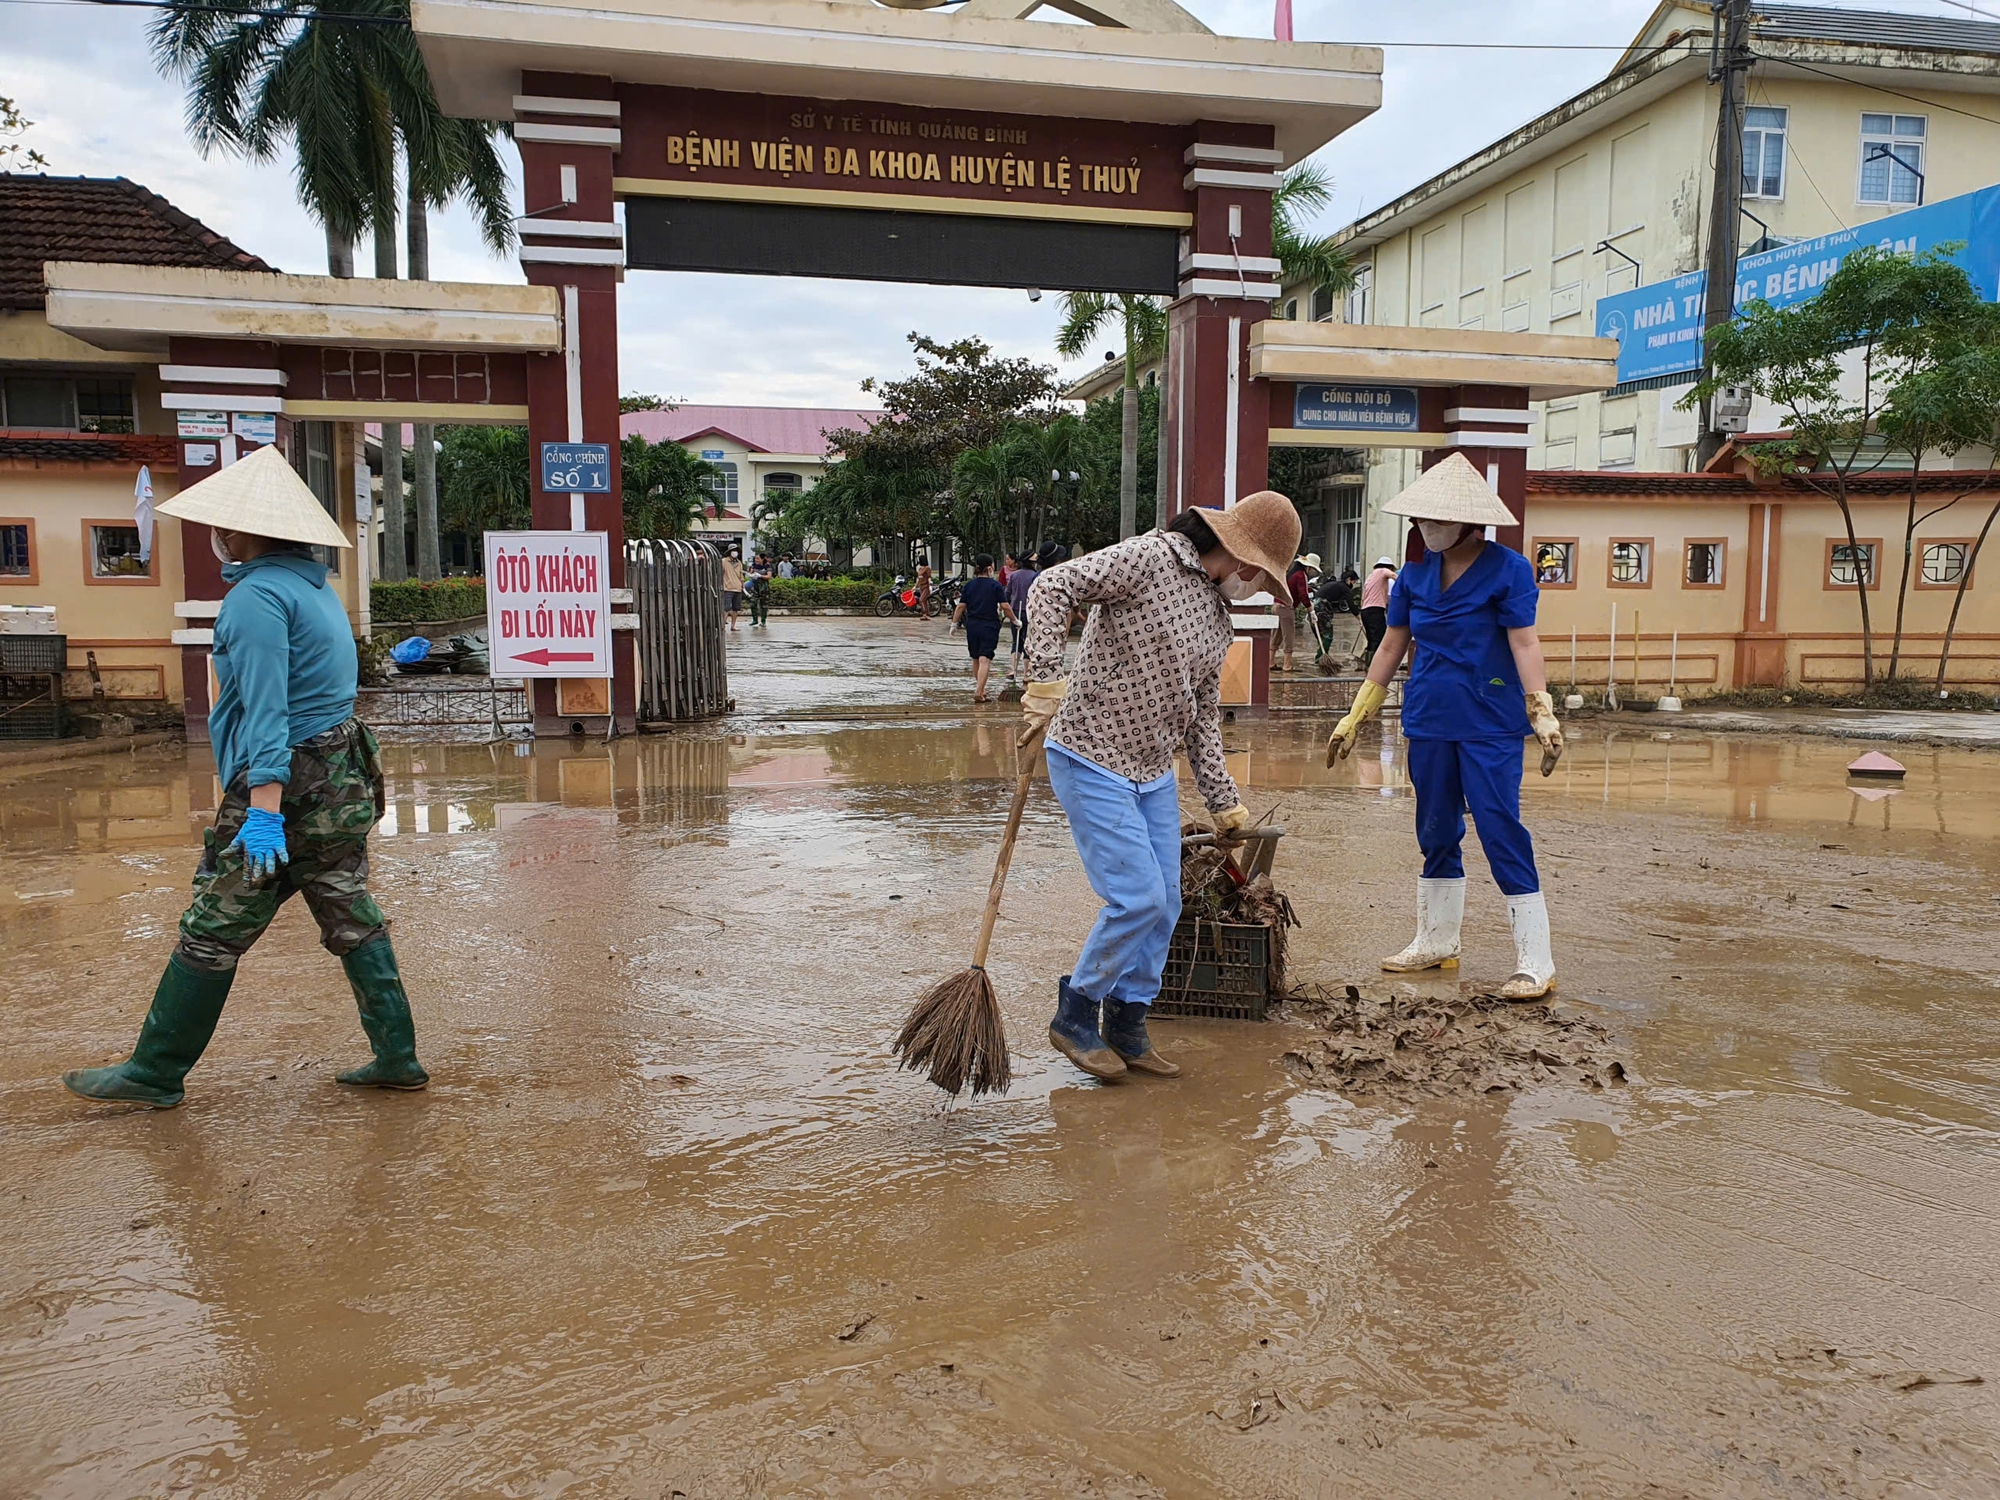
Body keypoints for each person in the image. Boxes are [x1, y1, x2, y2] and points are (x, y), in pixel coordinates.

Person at [62, 446, 426, 1109]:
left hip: (289, 781)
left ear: (244, 531)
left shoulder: (255, 599)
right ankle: (397, 1055)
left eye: (223, 523)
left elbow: (267, 710)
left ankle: (154, 1071)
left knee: (214, 924)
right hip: (343, 771)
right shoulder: (314, 587)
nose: (216, 534)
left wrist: (262, 808)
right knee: (347, 905)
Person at [1020, 491, 1299, 1083]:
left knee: (1166, 902)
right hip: (1090, 753)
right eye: (1263, 576)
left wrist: (1225, 804)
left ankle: (1128, 1022)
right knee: (1138, 897)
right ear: (1243, 558)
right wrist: (1044, 679)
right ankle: (1075, 1014)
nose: (1259, 588)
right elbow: (1050, 587)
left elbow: (1201, 717)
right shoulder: (1152, 558)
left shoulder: (1218, 621)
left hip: (1150, 774)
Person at [1324, 454, 1565, 1000]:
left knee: (1501, 827)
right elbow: (1391, 644)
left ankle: (1535, 960)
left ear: (1467, 523)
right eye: (1419, 521)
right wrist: (1357, 713)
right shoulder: (1411, 576)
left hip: (1489, 720)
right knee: (1435, 828)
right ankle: (1436, 941)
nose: (1425, 529)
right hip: (1430, 717)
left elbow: (1524, 642)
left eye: (1436, 520)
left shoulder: (1509, 570)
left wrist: (1541, 708)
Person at [952, 554, 1015, 702]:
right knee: (985, 659)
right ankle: (979, 692)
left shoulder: (969, 585)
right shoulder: (995, 586)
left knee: (975, 658)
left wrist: (954, 624)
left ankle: (982, 689)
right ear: (989, 568)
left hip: (972, 625)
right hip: (989, 626)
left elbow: (961, 606)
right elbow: (1005, 606)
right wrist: (1015, 620)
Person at [1005, 549, 1039, 682]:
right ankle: (1026, 673)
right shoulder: (1035, 576)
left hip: (1015, 612)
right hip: (1030, 612)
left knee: (1016, 640)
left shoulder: (1014, 576)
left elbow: (1007, 594)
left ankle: (1013, 669)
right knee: (1028, 641)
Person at [1359, 555, 1397, 662]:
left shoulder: (1370, 577)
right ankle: (1376, 664)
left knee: (1372, 638)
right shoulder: (1383, 571)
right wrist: (1406, 585)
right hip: (1375, 610)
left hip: (1365, 611)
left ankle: (1369, 665)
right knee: (1379, 638)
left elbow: (1364, 597)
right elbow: (1394, 575)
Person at [1281, 555, 1312, 673]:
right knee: (1289, 637)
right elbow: (1303, 595)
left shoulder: (1291, 574)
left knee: (1276, 637)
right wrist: (1310, 609)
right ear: (1308, 568)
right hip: (1287, 608)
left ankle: (1271, 662)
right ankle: (1287, 665)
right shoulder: (1301, 575)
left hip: (1277, 606)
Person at [720, 548, 744, 630]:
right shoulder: (723, 561)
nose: (735, 552)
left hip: (737, 588)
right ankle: (722, 626)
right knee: (726, 608)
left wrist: (742, 584)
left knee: (736, 608)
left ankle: (733, 626)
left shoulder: (739, 562)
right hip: (727, 587)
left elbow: (741, 574)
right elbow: (720, 573)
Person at [747, 552, 772, 627]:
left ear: (762, 559)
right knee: (753, 602)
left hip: (764, 586)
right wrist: (751, 575)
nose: (756, 560)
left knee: (763, 604)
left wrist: (761, 576)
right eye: (755, 558)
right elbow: (750, 573)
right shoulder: (753, 565)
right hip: (754, 586)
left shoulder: (767, 565)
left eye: (758, 558)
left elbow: (769, 576)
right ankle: (755, 620)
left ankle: (763, 621)